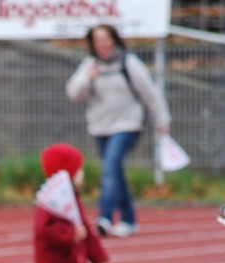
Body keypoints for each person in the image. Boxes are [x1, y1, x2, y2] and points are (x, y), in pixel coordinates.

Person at [66, 23, 171, 237]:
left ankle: (104, 216)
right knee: (114, 171)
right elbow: (74, 93)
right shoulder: (90, 65)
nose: (102, 44)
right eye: (97, 40)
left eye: (105, 39)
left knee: (110, 166)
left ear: (114, 39)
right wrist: (89, 77)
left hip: (127, 125)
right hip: (100, 127)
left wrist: (162, 121)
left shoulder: (129, 63)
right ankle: (129, 219)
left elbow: (150, 93)